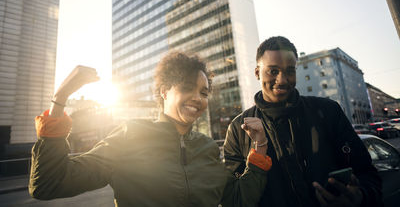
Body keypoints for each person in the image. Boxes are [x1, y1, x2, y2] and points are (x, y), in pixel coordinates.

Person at [29, 51, 272, 206]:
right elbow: (48, 184)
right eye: (187, 87)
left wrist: (259, 146)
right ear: (164, 91)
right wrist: (60, 99)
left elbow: (238, 199)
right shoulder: (131, 136)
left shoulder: (207, 148)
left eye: (204, 92)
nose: (198, 98)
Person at [223, 36, 383, 207]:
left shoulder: (329, 112)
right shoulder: (237, 129)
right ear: (257, 73)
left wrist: (359, 197)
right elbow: (233, 198)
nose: (282, 80)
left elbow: (367, 173)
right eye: (273, 71)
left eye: (289, 71)